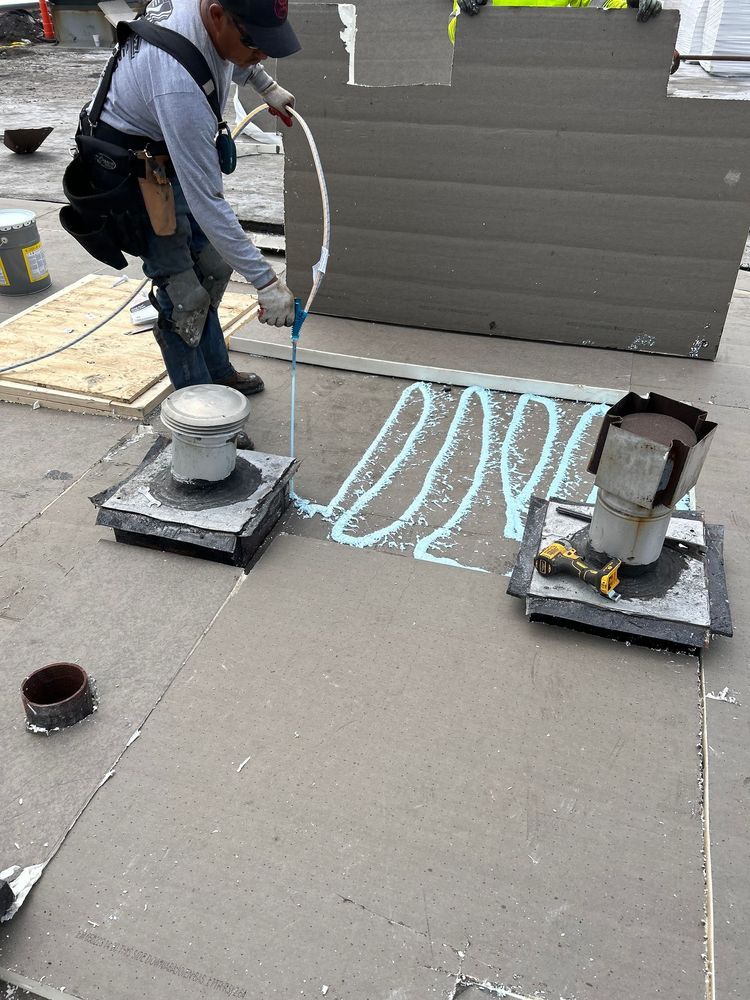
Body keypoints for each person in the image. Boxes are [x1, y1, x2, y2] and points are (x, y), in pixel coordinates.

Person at [63, 0, 301, 404]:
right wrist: (266, 283)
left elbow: (230, 53)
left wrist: (266, 86)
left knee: (214, 267)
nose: (261, 54)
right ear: (216, 15)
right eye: (255, 44)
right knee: (184, 294)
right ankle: (200, 410)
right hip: (131, 173)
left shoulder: (209, 16)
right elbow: (207, 201)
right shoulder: (178, 87)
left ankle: (218, 373)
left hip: (163, 150)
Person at [449, 0, 662, 43]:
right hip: (500, 72)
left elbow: (606, 6)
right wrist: (467, 14)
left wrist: (633, 4)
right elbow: (455, 37)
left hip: (551, 70)